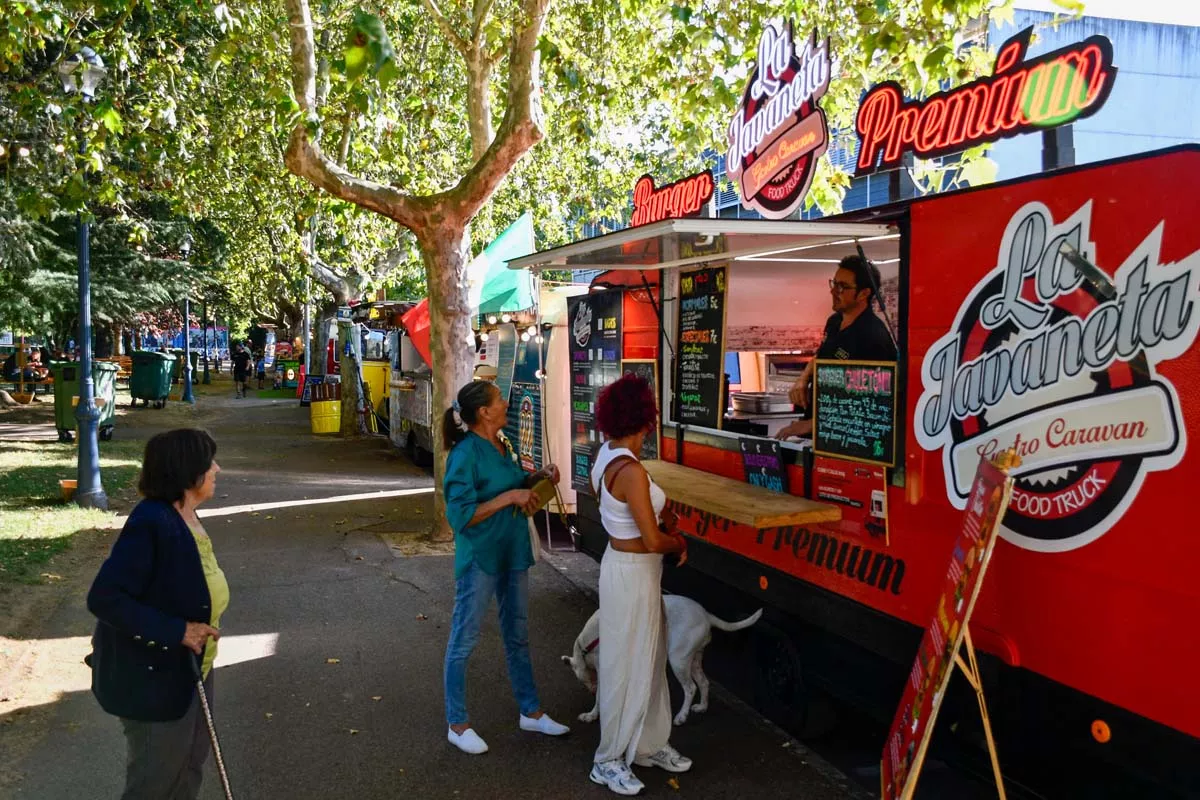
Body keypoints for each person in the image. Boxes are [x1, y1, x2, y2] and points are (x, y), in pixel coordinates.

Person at [86, 429, 228, 800]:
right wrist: (178, 631)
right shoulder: (152, 521)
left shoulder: (186, 515)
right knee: (155, 782)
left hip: (193, 670)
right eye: (209, 462)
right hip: (155, 677)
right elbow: (106, 598)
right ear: (187, 470)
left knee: (188, 769)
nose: (217, 468)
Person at [442, 380, 571, 755]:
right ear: (484, 412)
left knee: (518, 635)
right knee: (464, 639)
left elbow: (513, 484)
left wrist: (536, 479)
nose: (506, 402)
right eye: (499, 399)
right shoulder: (464, 455)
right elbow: (460, 516)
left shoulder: (504, 443)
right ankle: (457, 723)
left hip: (512, 552)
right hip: (481, 558)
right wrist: (510, 496)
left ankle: (531, 711)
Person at [588, 374, 691, 796]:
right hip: (634, 571)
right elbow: (651, 540)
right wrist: (678, 542)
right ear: (645, 419)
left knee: (647, 659)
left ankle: (648, 743)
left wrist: (663, 517)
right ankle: (608, 759)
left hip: (630, 570)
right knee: (626, 665)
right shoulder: (629, 469)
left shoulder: (608, 453)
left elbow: (632, 517)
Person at [775, 254, 898, 441]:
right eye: (834, 284)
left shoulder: (872, 337)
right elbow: (821, 355)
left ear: (864, 293)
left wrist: (810, 425)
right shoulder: (834, 322)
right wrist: (803, 378)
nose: (833, 291)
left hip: (849, 441)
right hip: (820, 431)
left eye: (842, 287)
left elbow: (870, 406)